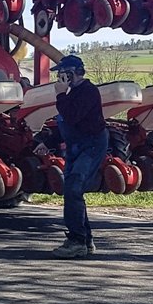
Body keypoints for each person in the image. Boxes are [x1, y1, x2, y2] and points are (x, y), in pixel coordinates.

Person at [50, 55, 107, 258]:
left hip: (91, 145)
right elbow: (64, 121)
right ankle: (85, 239)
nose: (59, 78)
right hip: (76, 146)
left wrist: (60, 95)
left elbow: (72, 115)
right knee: (73, 190)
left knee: (74, 187)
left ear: (72, 73)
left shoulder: (88, 92)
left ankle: (77, 241)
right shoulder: (72, 93)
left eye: (61, 74)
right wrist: (46, 141)